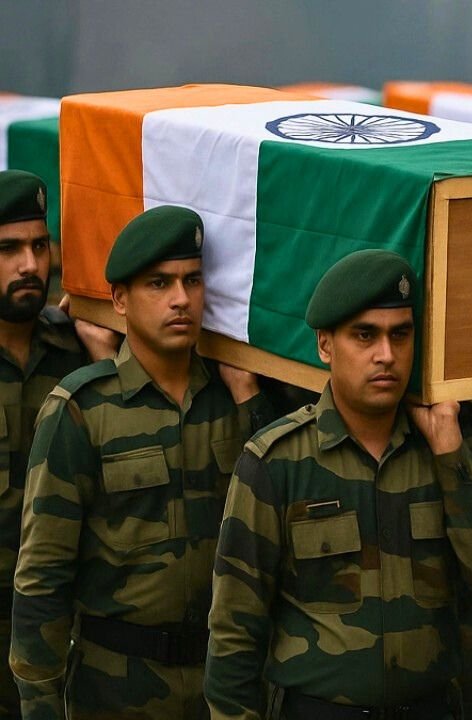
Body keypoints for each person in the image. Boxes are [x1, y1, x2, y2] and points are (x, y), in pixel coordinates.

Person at [203, 250, 472, 719]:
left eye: (400, 334)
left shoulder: (448, 449)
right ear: (325, 345)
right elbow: (234, 630)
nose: (386, 355)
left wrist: (452, 454)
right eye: (365, 335)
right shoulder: (276, 462)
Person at [9, 206, 273, 719]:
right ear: (120, 300)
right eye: (158, 283)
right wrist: (40, 704)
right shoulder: (81, 409)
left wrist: (251, 398)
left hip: (225, 688)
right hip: (115, 688)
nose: (181, 299)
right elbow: (43, 576)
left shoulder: (236, 398)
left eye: (192, 280)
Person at [0, 170, 100, 717]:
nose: (30, 265)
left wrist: (103, 356)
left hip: (62, 629)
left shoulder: (76, 349)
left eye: (40, 246)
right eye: (9, 249)